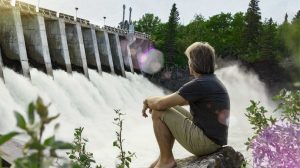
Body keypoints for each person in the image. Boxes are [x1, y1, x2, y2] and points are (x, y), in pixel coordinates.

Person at [142, 42, 230, 168]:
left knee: (159, 112)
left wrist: (147, 100)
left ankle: (166, 160)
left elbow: (160, 104)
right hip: (214, 141)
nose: (188, 63)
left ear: (193, 64)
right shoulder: (211, 81)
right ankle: (163, 156)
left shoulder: (199, 84)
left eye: (189, 60)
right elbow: (175, 102)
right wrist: (155, 103)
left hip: (206, 143)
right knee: (167, 107)